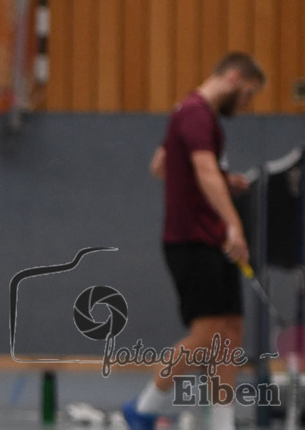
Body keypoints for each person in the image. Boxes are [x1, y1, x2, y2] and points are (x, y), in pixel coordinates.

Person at [124, 52, 265, 430]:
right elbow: (199, 169)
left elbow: (162, 166)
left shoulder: (189, 113)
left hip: (211, 240)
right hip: (191, 241)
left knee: (232, 330)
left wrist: (220, 176)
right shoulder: (195, 114)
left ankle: (223, 422)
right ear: (234, 78)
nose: (247, 104)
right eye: (248, 94)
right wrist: (234, 224)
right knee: (205, 336)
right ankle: (143, 408)